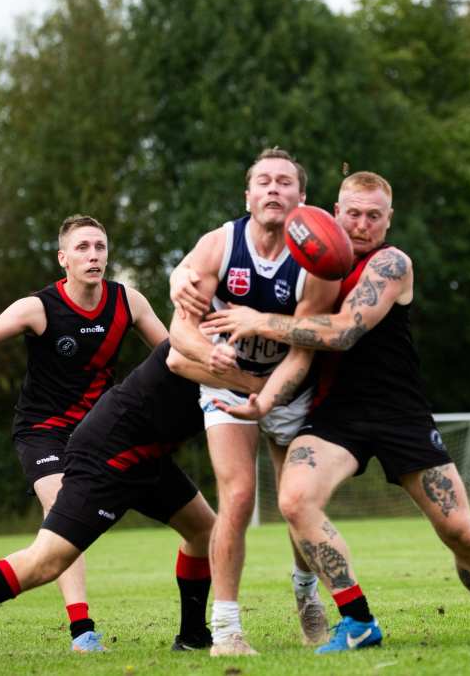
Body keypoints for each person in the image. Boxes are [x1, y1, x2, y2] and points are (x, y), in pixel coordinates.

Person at [201, 171, 470, 653]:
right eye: (353, 214)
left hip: (399, 413)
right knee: (294, 500)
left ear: (389, 220)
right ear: (334, 214)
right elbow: (291, 340)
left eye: (373, 216)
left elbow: (343, 332)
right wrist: (263, 397)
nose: (362, 224)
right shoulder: (310, 269)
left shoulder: (391, 263)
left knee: (458, 530)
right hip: (335, 415)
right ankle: (357, 621)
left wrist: (260, 322)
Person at [0, 339, 267, 672]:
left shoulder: (259, 335)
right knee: (47, 560)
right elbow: (177, 358)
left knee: (203, 530)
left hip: (148, 455)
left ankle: (192, 636)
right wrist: (262, 386)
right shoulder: (206, 322)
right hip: (111, 449)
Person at [0, 215, 168, 653]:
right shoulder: (39, 307)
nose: (93, 255)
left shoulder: (129, 302)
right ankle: (83, 633)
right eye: (82, 247)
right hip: (42, 432)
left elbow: (172, 355)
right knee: (66, 511)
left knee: (59, 541)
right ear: (63, 258)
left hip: (97, 433)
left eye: (100, 246)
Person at [166, 148, 339, 655]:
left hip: (288, 386)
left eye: (285, 182)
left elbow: (303, 353)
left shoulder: (317, 262)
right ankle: (226, 630)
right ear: (248, 195)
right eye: (264, 181)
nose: (274, 189)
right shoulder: (219, 244)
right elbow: (180, 329)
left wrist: (265, 395)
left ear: (302, 198)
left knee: (298, 503)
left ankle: (306, 593)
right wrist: (210, 355)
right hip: (226, 381)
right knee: (238, 495)